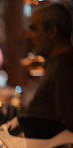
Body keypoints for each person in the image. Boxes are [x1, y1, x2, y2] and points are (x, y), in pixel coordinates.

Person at [23, 2, 73, 131]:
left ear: (52, 31)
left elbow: (68, 123)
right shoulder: (57, 64)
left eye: (33, 28)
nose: (28, 36)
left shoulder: (64, 68)